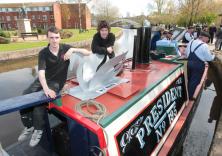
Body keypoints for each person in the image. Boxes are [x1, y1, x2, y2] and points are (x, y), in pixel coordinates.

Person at [18, 26, 91, 147]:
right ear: (47, 38)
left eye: (57, 37)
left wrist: (73, 50)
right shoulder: (43, 53)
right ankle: (28, 126)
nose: (54, 40)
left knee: (40, 100)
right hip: (44, 79)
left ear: (60, 38)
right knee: (24, 95)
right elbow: (41, 73)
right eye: (51, 37)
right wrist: (45, 88)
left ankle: (38, 129)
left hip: (57, 82)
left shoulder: (65, 48)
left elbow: (87, 53)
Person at [185, 31, 215, 100]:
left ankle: (186, 94)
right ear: (204, 37)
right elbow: (209, 58)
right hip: (198, 65)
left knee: (188, 79)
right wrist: (213, 55)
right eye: (207, 39)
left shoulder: (191, 42)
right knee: (195, 81)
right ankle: (189, 97)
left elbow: (187, 53)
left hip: (189, 63)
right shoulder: (204, 45)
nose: (207, 41)